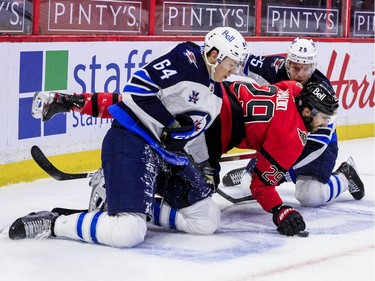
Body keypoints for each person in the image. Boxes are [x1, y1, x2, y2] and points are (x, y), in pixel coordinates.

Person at [8, 26, 249, 248]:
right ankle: (54, 222)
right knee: (128, 233)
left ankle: (132, 204)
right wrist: (171, 122)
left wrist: (202, 169)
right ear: (214, 54)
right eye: (232, 64)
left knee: (207, 219)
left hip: (167, 156)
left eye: (238, 65)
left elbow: (192, 137)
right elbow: (135, 93)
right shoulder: (186, 59)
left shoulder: (216, 96)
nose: (234, 71)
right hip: (133, 140)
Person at [239, 37, 365, 207]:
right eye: (295, 67)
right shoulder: (273, 68)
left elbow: (319, 142)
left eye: (306, 69)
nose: (299, 74)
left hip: (317, 146)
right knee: (248, 185)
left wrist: (281, 172)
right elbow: (238, 59)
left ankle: (345, 175)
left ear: (313, 66)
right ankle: (253, 169)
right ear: (287, 62)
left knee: (309, 196)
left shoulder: (322, 89)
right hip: (283, 138)